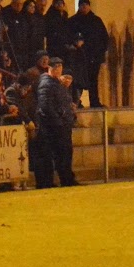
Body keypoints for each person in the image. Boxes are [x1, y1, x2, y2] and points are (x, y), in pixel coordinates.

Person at [33, 58, 78, 187]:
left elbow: (60, 102)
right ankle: (56, 181)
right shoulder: (47, 83)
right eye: (55, 67)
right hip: (53, 126)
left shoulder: (56, 83)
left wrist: (69, 108)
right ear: (50, 68)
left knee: (64, 154)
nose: (58, 69)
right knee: (57, 154)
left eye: (60, 66)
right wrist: (59, 122)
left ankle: (67, 179)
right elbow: (46, 106)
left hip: (61, 124)